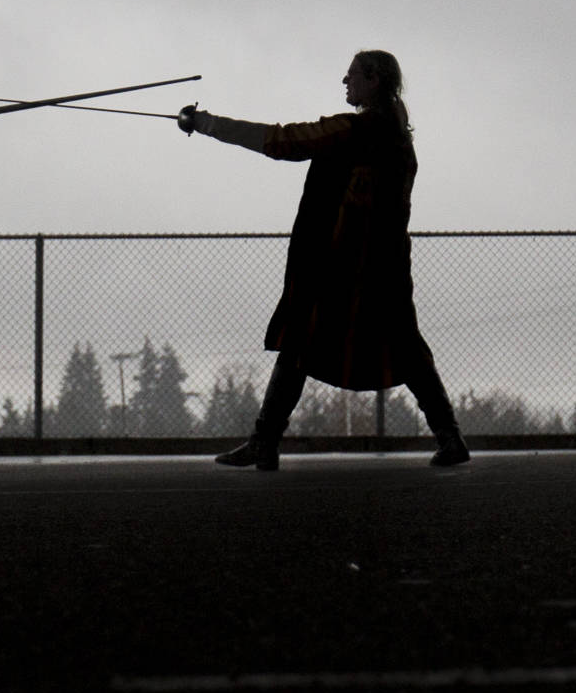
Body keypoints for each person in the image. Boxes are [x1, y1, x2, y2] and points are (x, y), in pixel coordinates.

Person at [179, 50, 471, 471]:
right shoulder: (397, 137)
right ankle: (450, 437)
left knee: (303, 338)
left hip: (342, 263)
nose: (344, 81)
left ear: (373, 79)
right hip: (384, 262)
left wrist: (206, 124)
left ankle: (265, 442)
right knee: (404, 347)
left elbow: (281, 141)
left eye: (352, 74)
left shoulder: (354, 130)